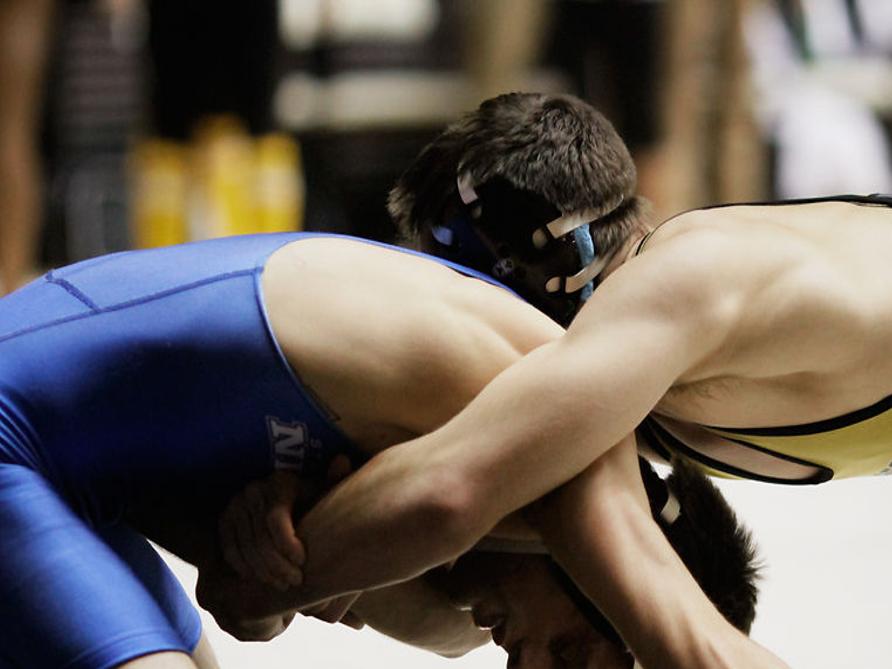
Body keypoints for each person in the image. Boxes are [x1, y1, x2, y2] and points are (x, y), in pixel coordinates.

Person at [220, 91, 892, 668]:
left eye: (468, 294)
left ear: (547, 268)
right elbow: (469, 585)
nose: (463, 332)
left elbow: (447, 488)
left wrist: (271, 578)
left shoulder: (687, 281)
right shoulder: (646, 391)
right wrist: (307, 545)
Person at [0, 227, 757, 668]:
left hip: (74, 484)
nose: (518, 661)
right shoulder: (509, 397)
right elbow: (247, 592)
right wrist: (281, 566)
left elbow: (244, 597)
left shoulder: (464, 593)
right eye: (563, 652)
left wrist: (271, 549)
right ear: (602, 558)